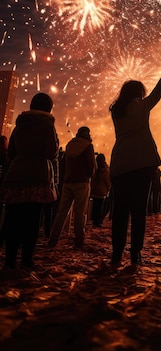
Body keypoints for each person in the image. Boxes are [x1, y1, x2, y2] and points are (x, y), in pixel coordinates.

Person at [109, 66, 161, 269]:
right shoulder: (142, 105)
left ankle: (116, 253)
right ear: (139, 93)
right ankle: (135, 253)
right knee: (139, 211)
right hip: (143, 163)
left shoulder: (116, 110)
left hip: (120, 163)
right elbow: (157, 94)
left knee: (120, 211)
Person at [0, 93, 59, 272]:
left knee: (13, 219)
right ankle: (26, 260)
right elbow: (51, 152)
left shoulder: (20, 124)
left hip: (16, 175)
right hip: (37, 176)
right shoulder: (48, 125)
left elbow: (11, 153)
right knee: (32, 221)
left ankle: (9, 260)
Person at [48, 126, 96, 249]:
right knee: (80, 213)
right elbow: (91, 168)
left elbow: (63, 164)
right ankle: (79, 239)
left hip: (68, 182)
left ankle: (53, 239)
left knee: (62, 212)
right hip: (82, 182)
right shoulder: (88, 146)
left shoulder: (69, 145)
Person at [91, 153, 111, 227]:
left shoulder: (95, 169)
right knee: (100, 207)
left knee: (95, 207)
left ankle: (94, 220)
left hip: (94, 191)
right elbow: (107, 181)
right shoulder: (105, 170)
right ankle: (98, 221)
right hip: (102, 191)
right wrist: (109, 188)